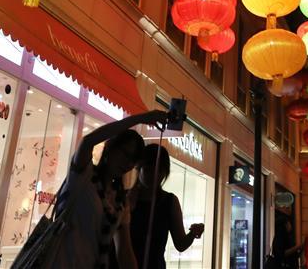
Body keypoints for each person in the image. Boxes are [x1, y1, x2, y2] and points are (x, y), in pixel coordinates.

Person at [42, 109, 167, 269]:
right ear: (111, 148)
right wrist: (140, 118)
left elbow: (124, 251)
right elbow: (88, 141)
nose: (127, 163)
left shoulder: (120, 201)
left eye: (132, 160)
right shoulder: (83, 175)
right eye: (125, 154)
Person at [120, 144, 203, 269]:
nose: (154, 175)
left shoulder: (170, 201)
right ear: (139, 168)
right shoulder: (123, 198)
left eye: (159, 171)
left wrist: (193, 233)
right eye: (149, 169)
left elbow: (180, 244)